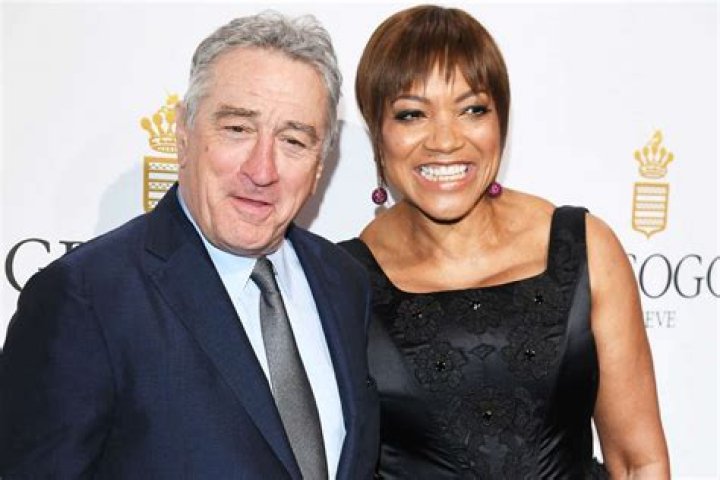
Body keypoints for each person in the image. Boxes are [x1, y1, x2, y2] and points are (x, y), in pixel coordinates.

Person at [0, 11, 379, 479]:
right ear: (183, 135)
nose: (262, 170)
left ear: (320, 165)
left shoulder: (344, 283)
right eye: (237, 129)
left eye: (294, 140)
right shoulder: (84, 298)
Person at [340, 5, 669, 479]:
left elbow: (639, 463)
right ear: (378, 132)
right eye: (412, 115)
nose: (445, 141)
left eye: (472, 109)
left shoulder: (584, 249)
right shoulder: (342, 282)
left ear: (502, 121)